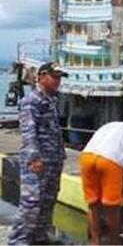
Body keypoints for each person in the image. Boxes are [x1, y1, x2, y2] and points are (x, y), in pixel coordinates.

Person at [8, 62, 68, 245]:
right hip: (38, 161)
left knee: (47, 201)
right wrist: (34, 157)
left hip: (53, 160)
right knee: (31, 203)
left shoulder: (51, 100)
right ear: (41, 77)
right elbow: (28, 130)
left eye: (59, 78)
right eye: (54, 77)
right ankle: (19, 240)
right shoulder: (31, 101)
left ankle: (39, 238)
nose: (57, 81)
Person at [79, 106, 123, 245]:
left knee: (93, 203)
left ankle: (95, 242)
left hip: (86, 157)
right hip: (110, 161)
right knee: (113, 206)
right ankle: (114, 242)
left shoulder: (112, 124)